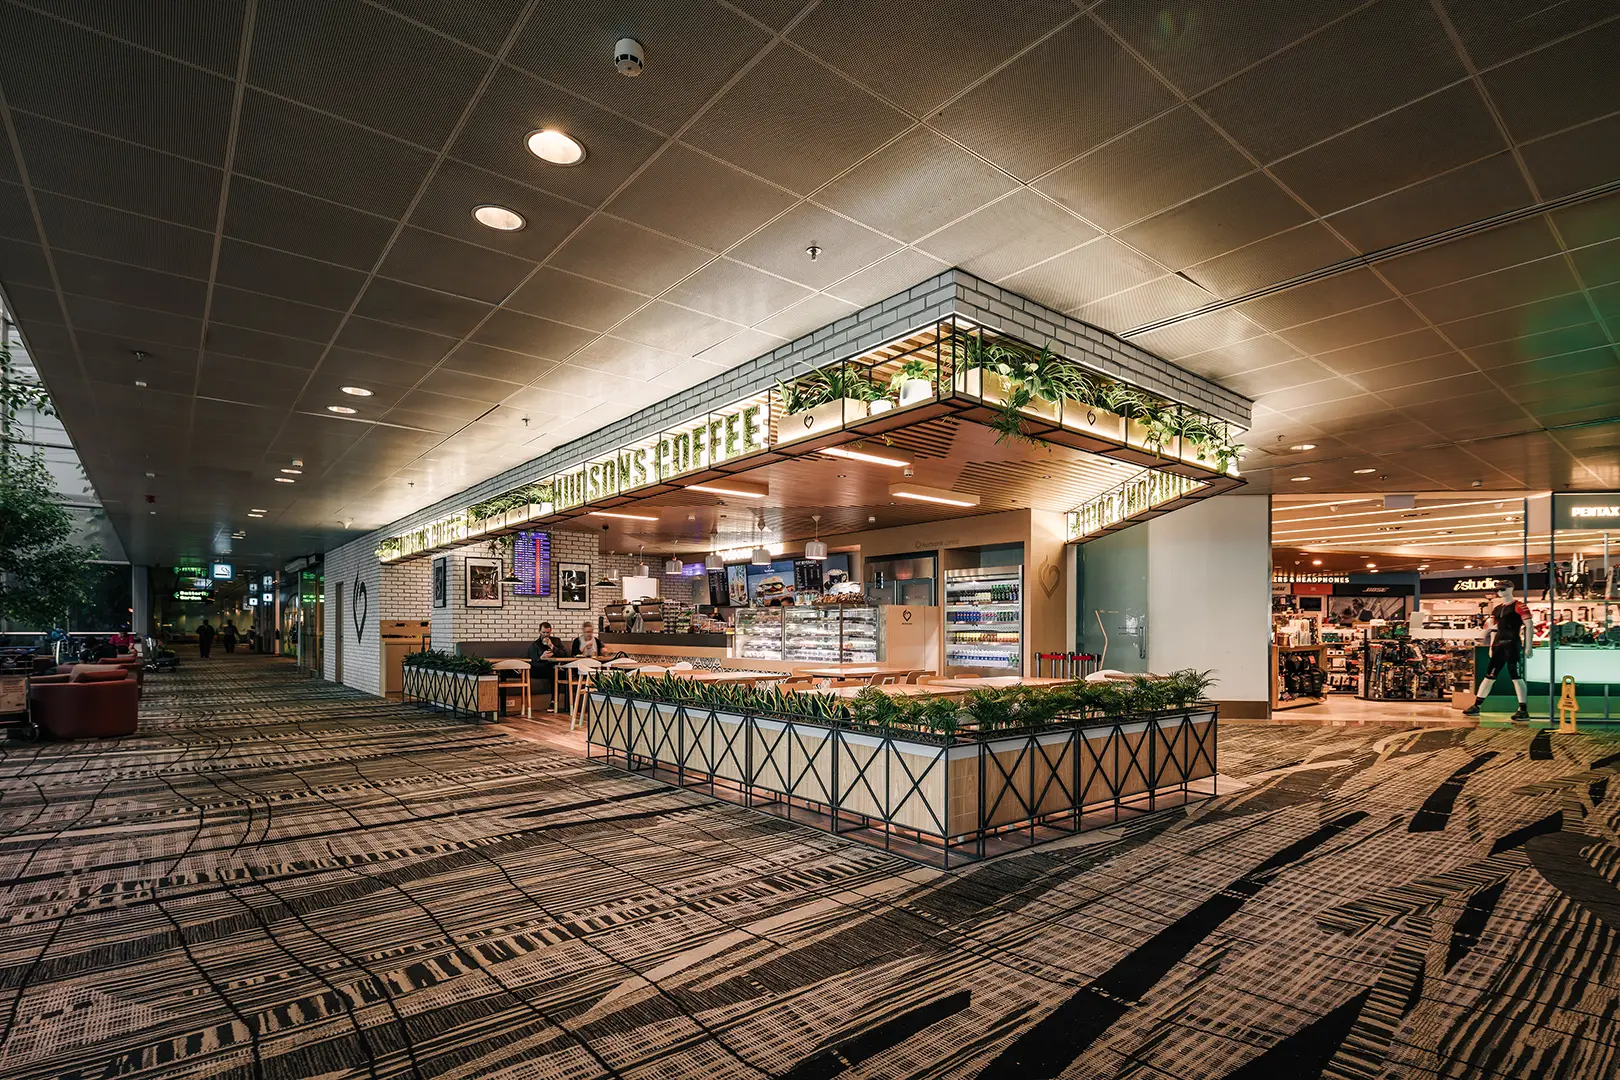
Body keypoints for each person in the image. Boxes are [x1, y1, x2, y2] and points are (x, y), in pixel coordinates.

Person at [1464, 584, 1530, 720]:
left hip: (1512, 645)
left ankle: (1523, 709)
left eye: (1502, 589)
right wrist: (1491, 645)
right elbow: (1494, 628)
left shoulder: (1519, 606)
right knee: (1489, 676)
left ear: (1511, 589)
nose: (1499, 592)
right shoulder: (1497, 609)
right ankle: (1476, 706)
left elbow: (1529, 626)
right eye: (1497, 590)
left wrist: (1528, 646)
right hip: (1498, 645)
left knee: (1516, 677)